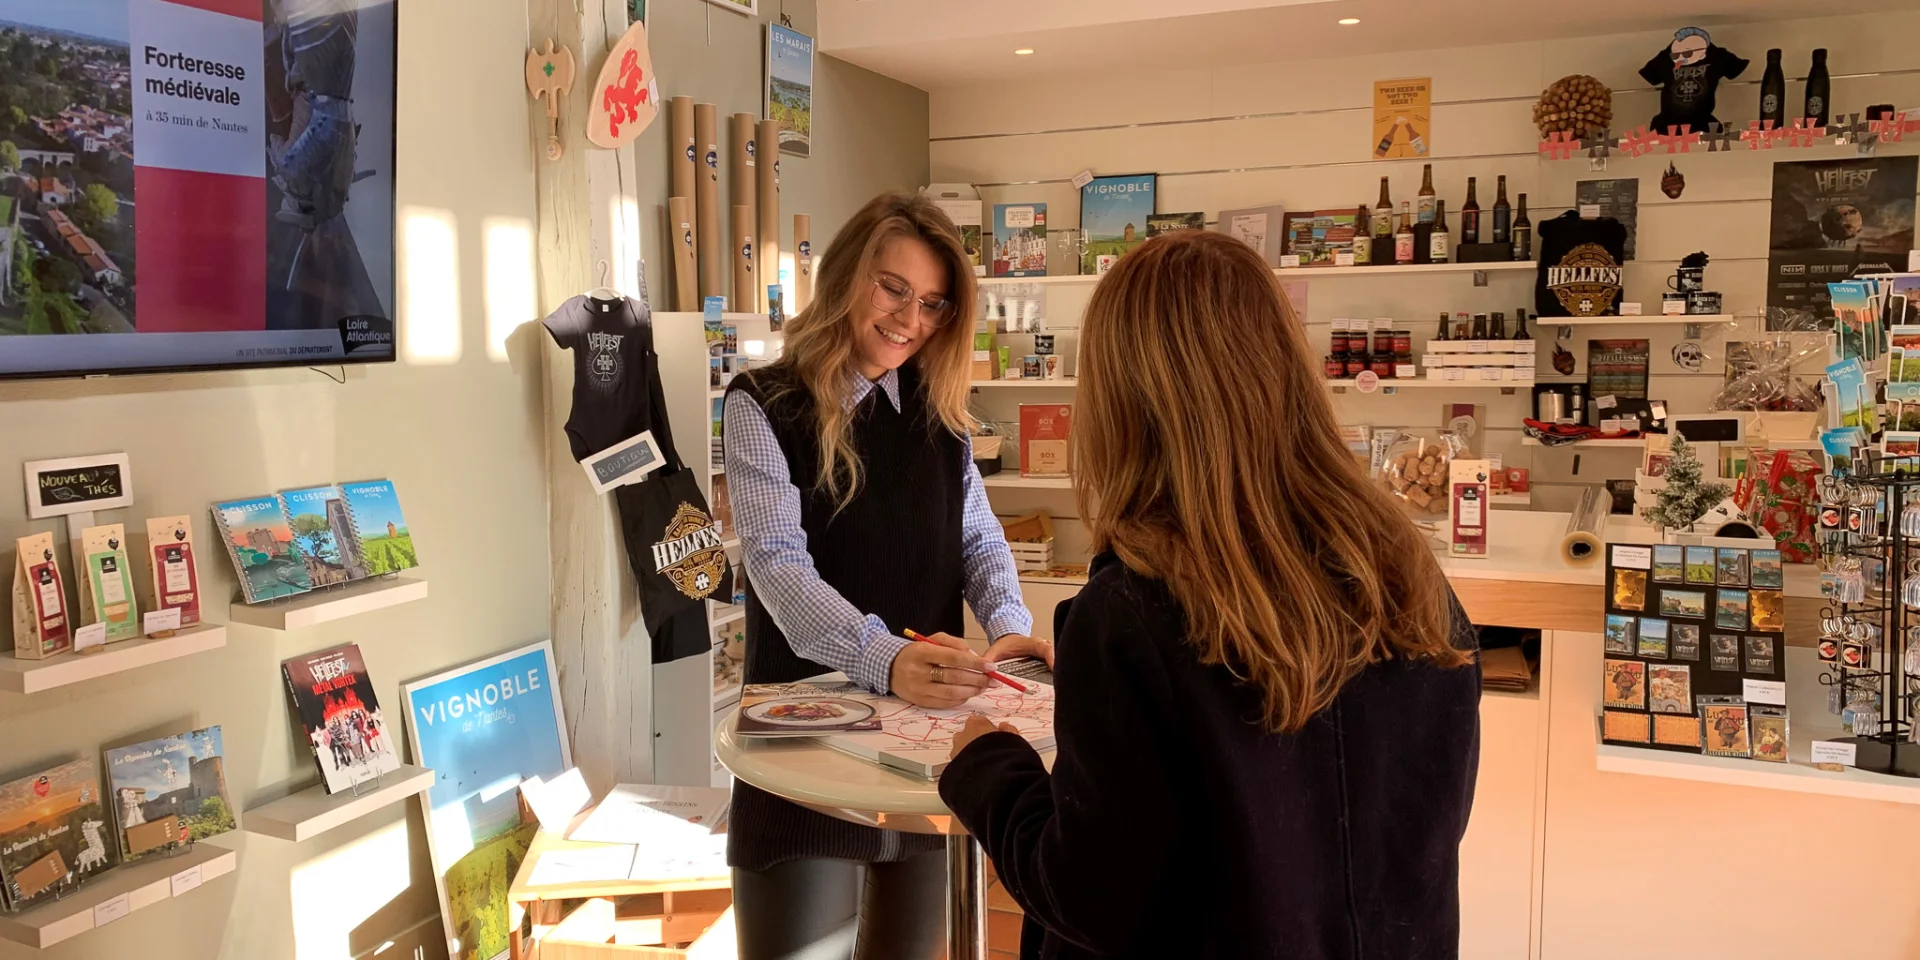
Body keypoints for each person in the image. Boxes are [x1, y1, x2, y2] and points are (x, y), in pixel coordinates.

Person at [940, 230, 1482, 960]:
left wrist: (988, 769)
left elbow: (1092, 896)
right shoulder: (1411, 581)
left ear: (1121, 398)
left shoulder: (1133, 614)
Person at [723, 191, 1050, 960]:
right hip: (803, 739)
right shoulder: (762, 404)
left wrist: (1011, 631)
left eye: (933, 303)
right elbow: (777, 569)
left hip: (925, 742)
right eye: (892, 288)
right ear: (846, 276)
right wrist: (887, 658)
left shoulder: (940, 415)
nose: (910, 319)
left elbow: (978, 538)